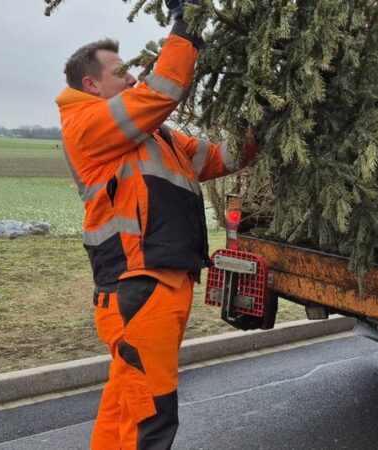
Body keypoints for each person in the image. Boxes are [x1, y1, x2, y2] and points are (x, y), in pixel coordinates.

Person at [55, 1, 259, 448]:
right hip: (138, 283)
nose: (133, 78)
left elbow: (218, 158)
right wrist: (185, 28)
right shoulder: (85, 124)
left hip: (158, 283)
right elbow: (162, 91)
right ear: (91, 85)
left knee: (127, 405)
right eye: (121, 73)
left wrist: (261, 120)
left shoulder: (156, 136)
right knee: (151, 415)